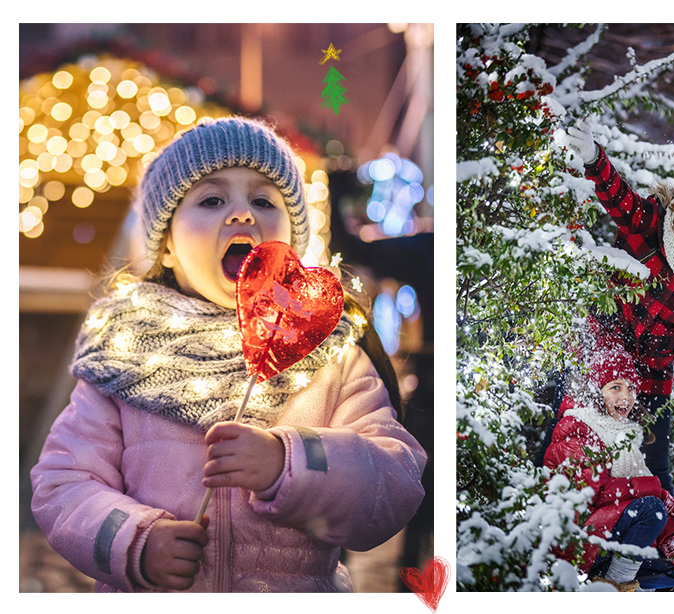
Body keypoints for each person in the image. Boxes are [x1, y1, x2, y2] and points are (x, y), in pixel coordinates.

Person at [30, 116, 427, 593]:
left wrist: (288, 462)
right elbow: (62, 484)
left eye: (263, 200)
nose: (241, 214)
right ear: (168, 246)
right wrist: (135, 543)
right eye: (212, 199)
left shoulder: (330, 353)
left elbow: (395, 482)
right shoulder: (124, 355)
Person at [566, 120, 674, 494]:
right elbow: (619, 199)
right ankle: (580, 547)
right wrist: (594, 159)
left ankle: (654, 552)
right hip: (601, 365)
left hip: (651, 381)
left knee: (653, 478)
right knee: (579, 466)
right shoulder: (653, 225)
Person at [544, 335, 674, 592]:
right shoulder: (579, 426)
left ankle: (609, 580)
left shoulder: (624, 433)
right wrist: (649, 488)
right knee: (652, 509)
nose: (626, 396)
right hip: (580, 539)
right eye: (615, 387)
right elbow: (592, 493)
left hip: (608, 537)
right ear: (596, 391)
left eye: (631, 388)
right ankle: (613, 588)